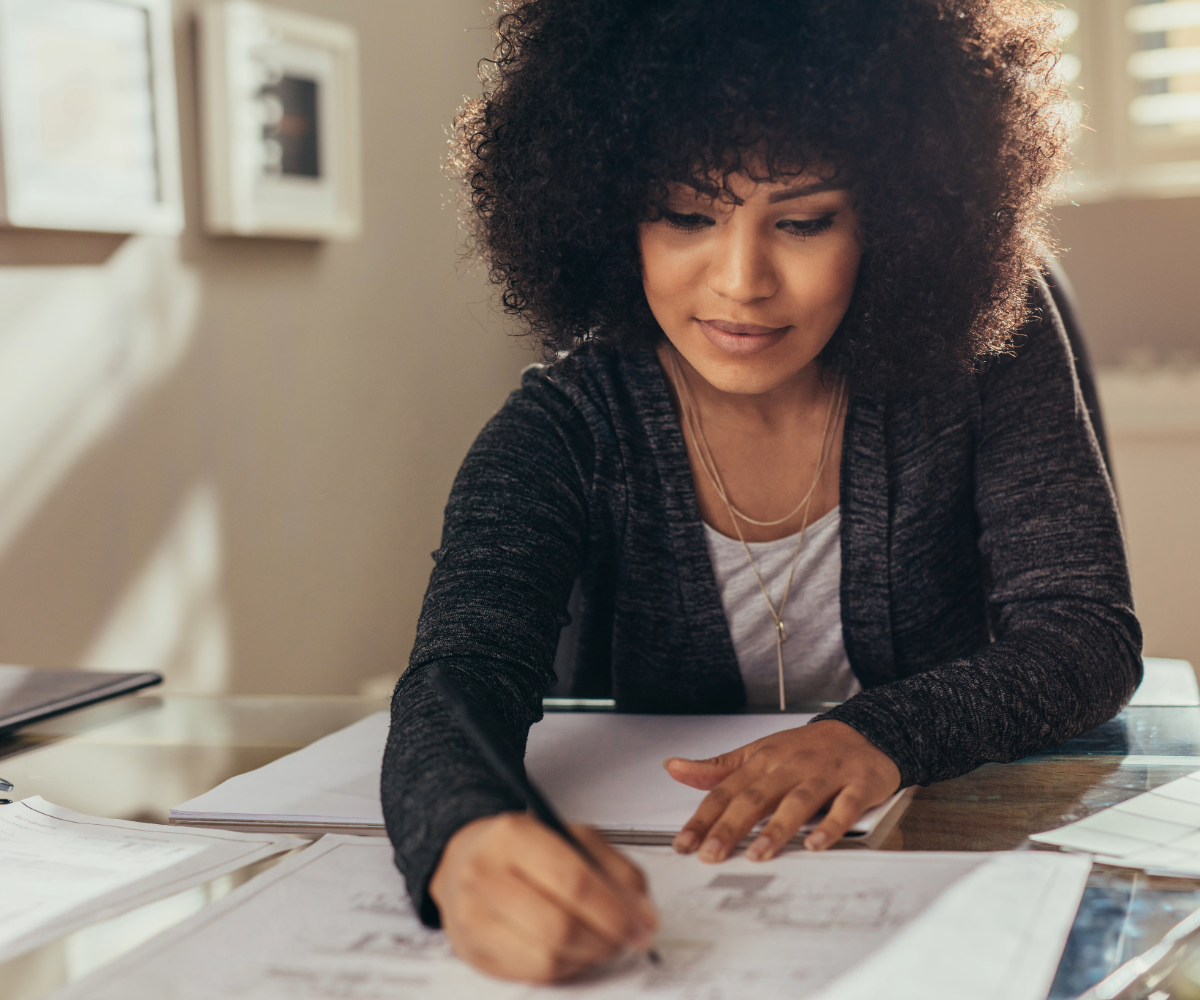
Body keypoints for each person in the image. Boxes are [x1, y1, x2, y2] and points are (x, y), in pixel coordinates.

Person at [382, 0, 1141, 984]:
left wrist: (879, 734)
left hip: (952, 887)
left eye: (804, 220)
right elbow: (458, 672)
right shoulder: (571, 423)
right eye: (688, 214)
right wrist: (463, 841)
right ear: (611, 215)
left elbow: (1084, 634)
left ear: (895, 218)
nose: (743, 280)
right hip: (699, 920)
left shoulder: (987, 349)